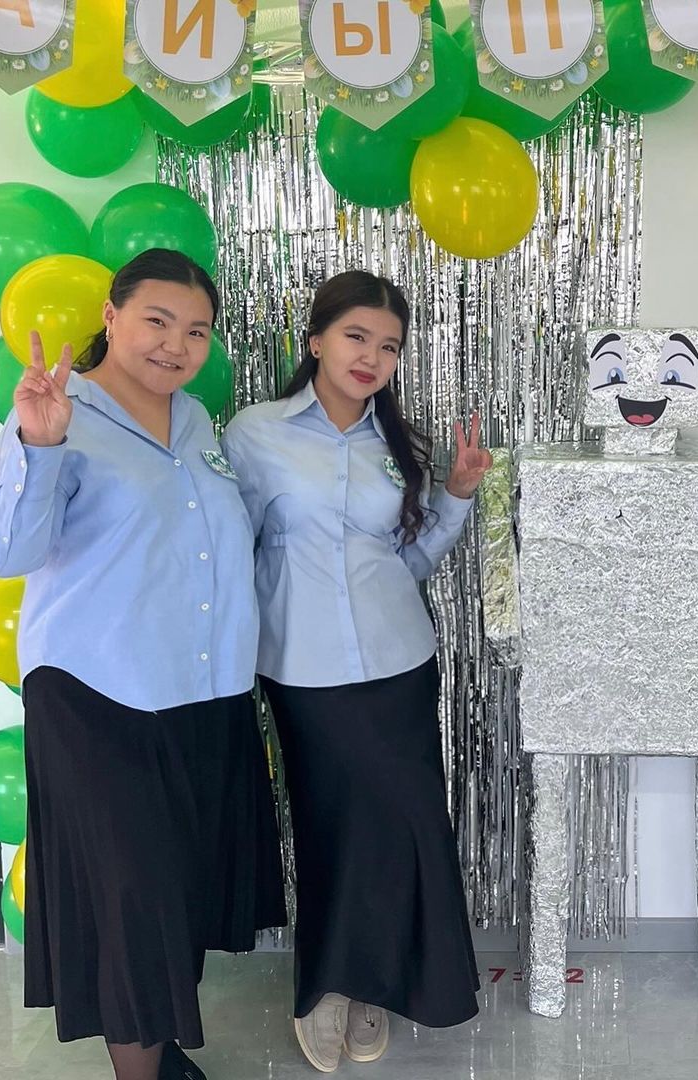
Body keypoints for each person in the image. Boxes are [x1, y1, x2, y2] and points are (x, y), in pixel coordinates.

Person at [0, 249, 286, 1080]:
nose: (176, 344)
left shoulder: (197, 422)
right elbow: (7, 552)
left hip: (204, 693)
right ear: (111, 317)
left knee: (180, 888)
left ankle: (162, 1049)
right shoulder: (58, 411)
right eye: (157, 320)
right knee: (132, 903)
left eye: (197, 331)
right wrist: (38, 444)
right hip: (99, 697)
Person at [221, 270, 489, 1073]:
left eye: (389, 346)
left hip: (399, 661)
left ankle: (374, 985)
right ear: (316, 341)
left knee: (404, 828)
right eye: (356, 337)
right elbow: (233, 552)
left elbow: (411, 562)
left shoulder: (398, 447)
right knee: (329, 826)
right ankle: (324, 990)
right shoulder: (255, 434)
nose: (372, 356)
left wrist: (457, 496)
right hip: (302, 669)